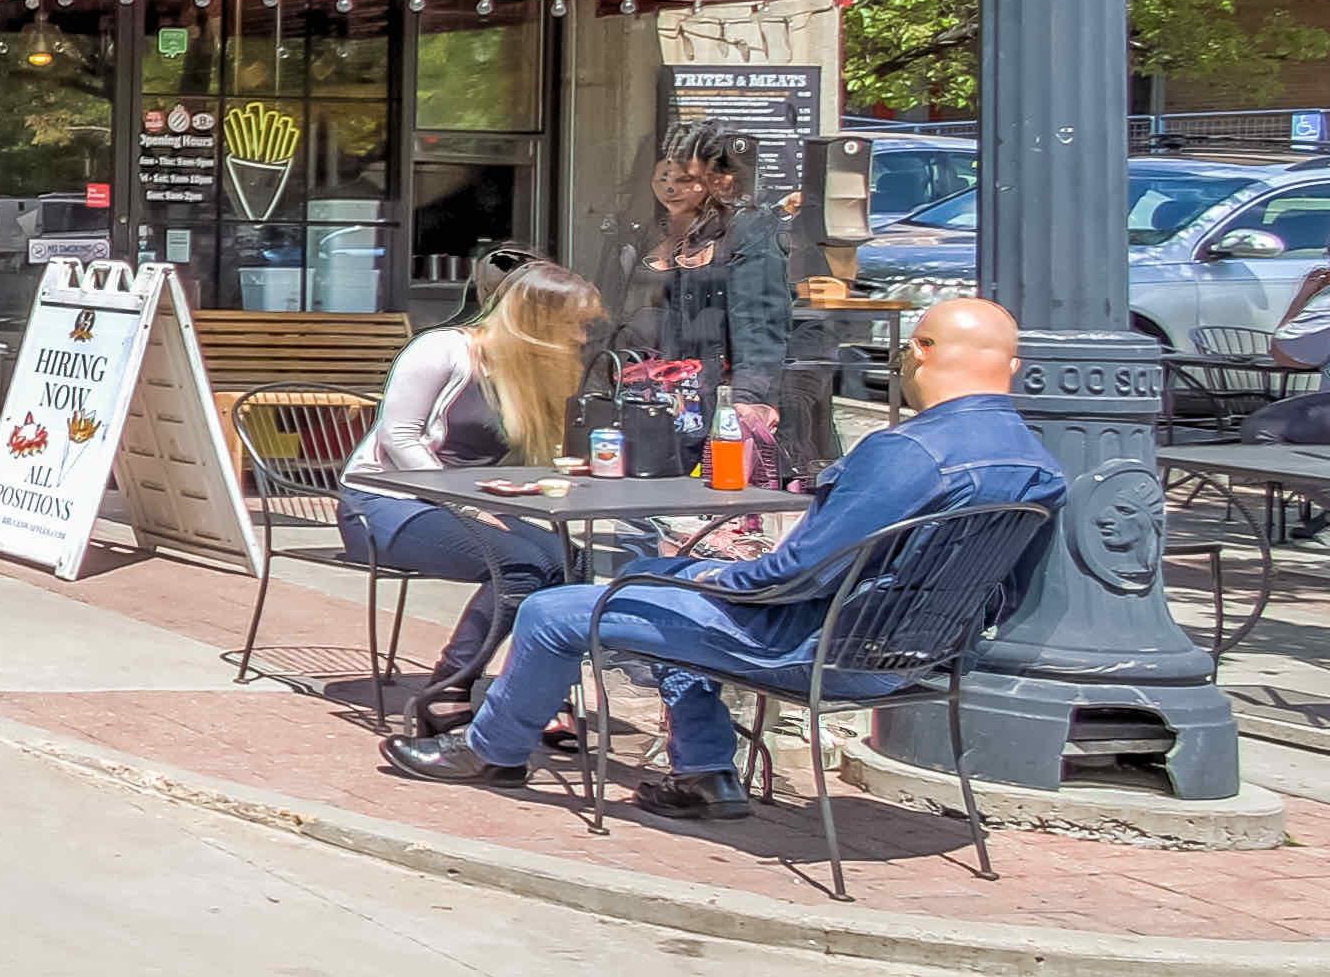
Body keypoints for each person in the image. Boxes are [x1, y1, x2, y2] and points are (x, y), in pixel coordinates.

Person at [387, 295, 1065, 818]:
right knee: (651, 579)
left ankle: (493, 753)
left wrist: (714, 574)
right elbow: (1012, 594)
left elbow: (795, 576)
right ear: (1011, 367)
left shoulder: (906, 453)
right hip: (916, 658)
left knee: (553, 610)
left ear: (918, 352)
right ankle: (706, 774)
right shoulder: (1037, 463)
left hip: (813, 648)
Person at [338, 257, 602, 732]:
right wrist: (464, 506)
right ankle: (449, 688)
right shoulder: (443, 349)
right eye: (574, 325)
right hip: (385, 501)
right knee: (518, 565)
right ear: (537, 320)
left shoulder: (531, 371)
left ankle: (534, 692)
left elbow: (525, 458)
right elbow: (399, 437)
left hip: (466, 506)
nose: (582, 338)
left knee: (572, 561)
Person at [590, 119, 810, 467]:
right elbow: (606, 312)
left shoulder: (746, 229)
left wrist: (747, 397)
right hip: (640, 393)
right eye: (664, 177)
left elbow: (759, 322)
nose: (671, 188)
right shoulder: (634, 232)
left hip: (710, 399)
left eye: (686, 179)